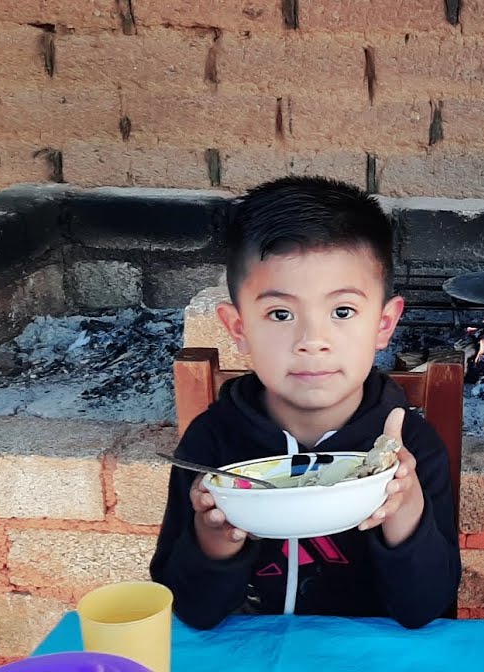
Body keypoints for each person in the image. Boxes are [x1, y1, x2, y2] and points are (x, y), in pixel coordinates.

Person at [150, 176, 461, 630]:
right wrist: (214, 539)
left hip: (367, 656)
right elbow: (191, 612)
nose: (312, 340)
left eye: (342, 312)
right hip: (250, 654)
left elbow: (426, 611)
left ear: (384, 324)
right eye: (280, 314)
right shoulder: (212, 444)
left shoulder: (411, 448)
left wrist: (405, 506)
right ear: (238, 329)